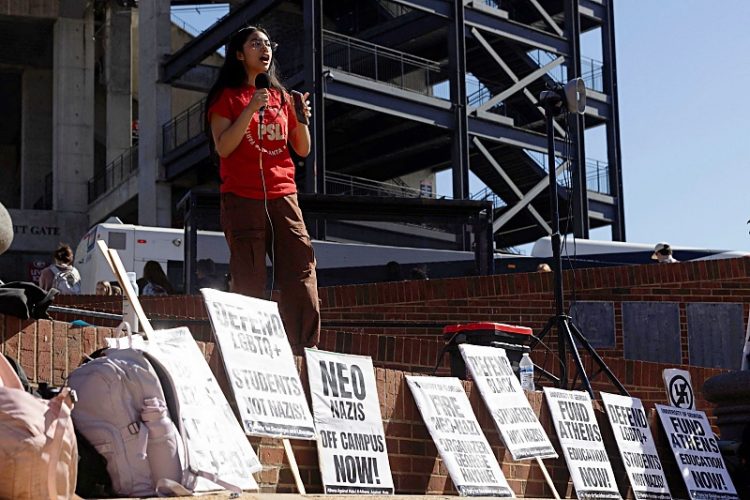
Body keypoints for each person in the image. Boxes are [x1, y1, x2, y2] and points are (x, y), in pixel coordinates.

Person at [205, 25, 320, 352]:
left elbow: (302, 149)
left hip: (284, 196)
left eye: (268, 43)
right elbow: (224, 147)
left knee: (301, 272)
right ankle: (250, 350)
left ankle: (303, 351)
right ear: (240, 54)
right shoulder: (226, 97)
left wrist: (301, 118)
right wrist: (250, 109)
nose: (264, 48)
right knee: (249, 281)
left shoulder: (283, 97)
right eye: (256, 43)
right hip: (243, 199)